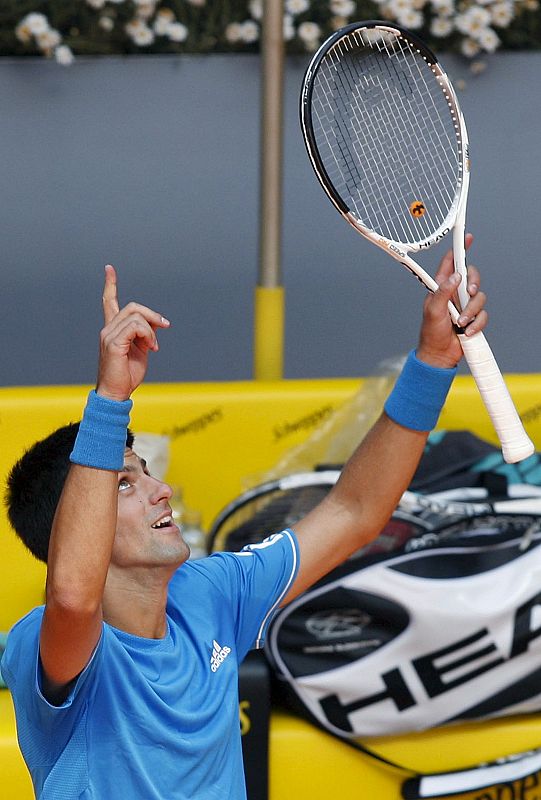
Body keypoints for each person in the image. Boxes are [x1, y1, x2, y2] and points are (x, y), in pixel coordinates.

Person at [1, 241, 487, 800]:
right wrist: (111, 398)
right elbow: (73, 595)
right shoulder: (44, 643)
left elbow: (354, 511)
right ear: (73, 526)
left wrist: (431, 363)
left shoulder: (212, 594)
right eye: (125, 484)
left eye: (144, 473)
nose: (160, 491)